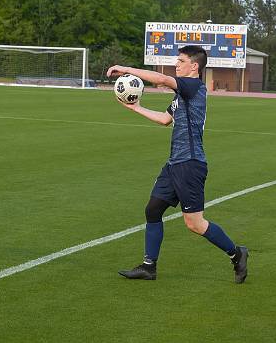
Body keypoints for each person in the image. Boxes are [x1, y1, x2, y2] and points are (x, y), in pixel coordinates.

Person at [106, 45, 248, 283]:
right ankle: (148, 267)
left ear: (194, 66)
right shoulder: (181, 95)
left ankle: (236, 254)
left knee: (194, 224)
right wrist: (136, 108)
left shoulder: (193, 86)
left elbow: (161, 79)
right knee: (153, 210)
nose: (176, 65)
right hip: (175, 164)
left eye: (181, 61)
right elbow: (164, 120)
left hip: (190, 165)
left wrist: (126, 69)